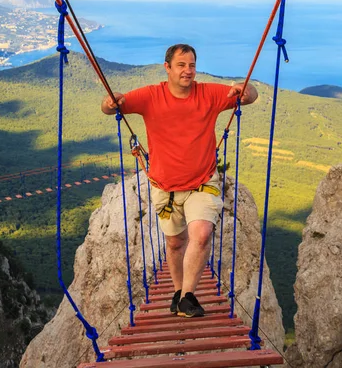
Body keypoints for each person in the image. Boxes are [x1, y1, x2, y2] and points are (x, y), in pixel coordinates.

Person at [101, 43, 258, 318]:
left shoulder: (208, 93)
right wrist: (109, 102)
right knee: (174, 244)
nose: (188, 71)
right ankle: (177, 291)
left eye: (192, 65)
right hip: (165, 188)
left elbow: (249, 97)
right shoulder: (151, 96)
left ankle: (187, 296)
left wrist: (247, 91)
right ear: (168, 68)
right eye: (182, 65)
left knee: (201, 234)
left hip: (203, 182)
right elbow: (112, 107)